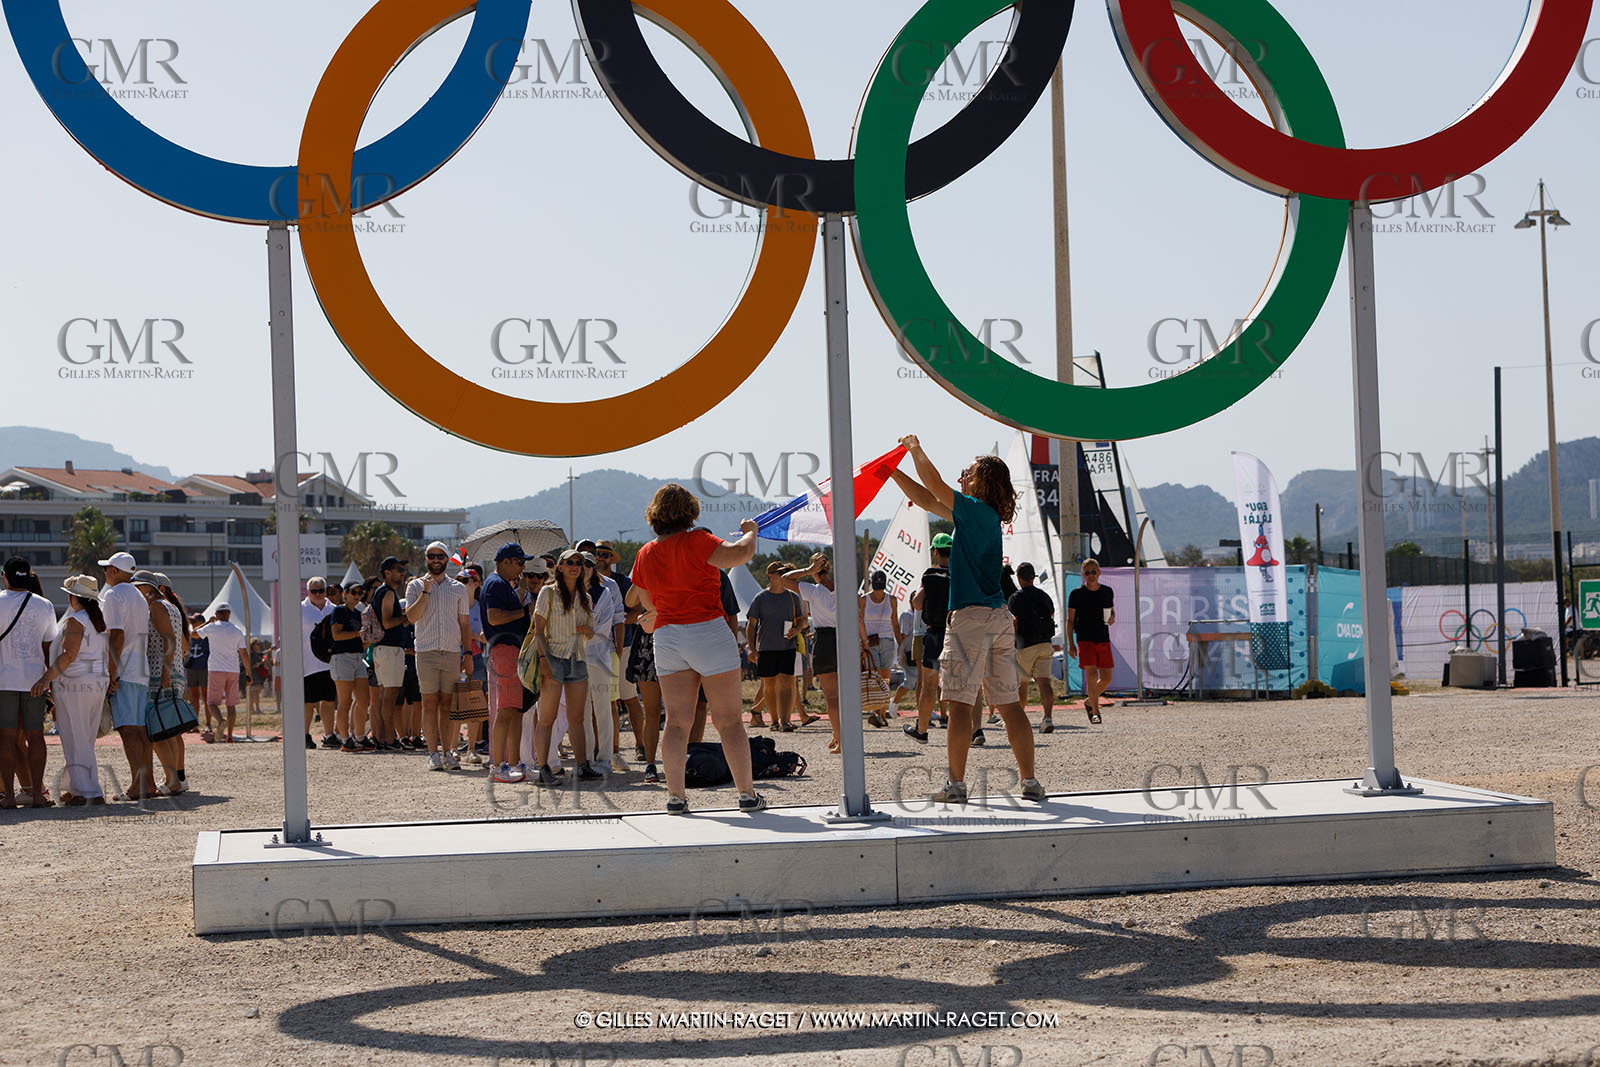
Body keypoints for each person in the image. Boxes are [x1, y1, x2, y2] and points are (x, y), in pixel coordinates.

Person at [888, 437, 1044, 804]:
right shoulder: (983, 516)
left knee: (959, 705)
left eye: (970, 472)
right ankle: (1030, 782)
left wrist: (914, 450)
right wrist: (894, 474)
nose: (964, 476)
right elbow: (927, 500)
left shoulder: (973, 509)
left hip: (970, 620)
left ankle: (956, 786)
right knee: (1009, 706)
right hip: (998, 618)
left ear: (981, 482)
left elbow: (935, 485)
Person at [629, 484, 766, 814]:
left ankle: (676, 797)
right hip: (707, 630)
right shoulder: (697, 540)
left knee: (676, 722)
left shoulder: (645, 553)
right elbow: (740, 555)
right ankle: (746, 794)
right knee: (729, 721)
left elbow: (647, 602)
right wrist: (751, 533)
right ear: (689, 511)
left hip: (668, 638)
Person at [39, 574, 109, 805]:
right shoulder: (98, 621)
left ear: (73, 598)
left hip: (75, 683)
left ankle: (88, 790)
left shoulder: (75, 621)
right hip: (96, 681)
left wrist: (45, 679)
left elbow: (69, 654)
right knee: (84, 736)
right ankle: (77, 786)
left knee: (74, 736)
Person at [531, 548, 596, 787]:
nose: (575, 566)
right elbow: (538, 631)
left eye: (579, 562)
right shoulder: (547, 593)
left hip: (576, 658)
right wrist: (543, 660)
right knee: (546, 718)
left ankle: (582, 766)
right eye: (569, 562)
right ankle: (543, 769)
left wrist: (586, 630)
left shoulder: (585, 597)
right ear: (558, 566)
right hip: (553, 657)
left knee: (577, 718)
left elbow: (591, 630)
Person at [98, 551, 160, 800]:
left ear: (114, 571)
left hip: (124, 668)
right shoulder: (138, 595)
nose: (105, 573)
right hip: (139, 668)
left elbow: (116, 635)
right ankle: (148, 783)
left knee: (127, 729)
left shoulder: (114, 594)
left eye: (107, 569)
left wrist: (111, 672)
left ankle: (138, 785)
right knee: (140, 729)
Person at [405, 541, 473, 771]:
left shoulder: (458, 588)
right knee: (429, 704)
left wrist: (469, 653)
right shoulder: (415, 585)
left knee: (447, 705)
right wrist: (425, 593)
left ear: (446, 559)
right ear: (426, 559)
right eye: (431, 556)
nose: (436, 560)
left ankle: (447, 751)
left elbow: (464, 624)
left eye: (440, 556)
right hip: (426, 652)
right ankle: (432, 753)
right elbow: (411, 617)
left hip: (452, 652)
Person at [0, 557, 58, 807]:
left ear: (5, 576)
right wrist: (49, 682)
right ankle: (36, 794)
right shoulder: (44, 605)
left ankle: (10, 797)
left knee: (6, 738)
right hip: (35, 681)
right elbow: (48, 646)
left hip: (3, 680)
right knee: (36, 737)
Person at [134, 570, 189, 794]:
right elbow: (182, 643)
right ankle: (175, 778)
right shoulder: (171, 607)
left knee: (157, 731)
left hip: (160, 674)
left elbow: (169, 639)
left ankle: (172, 780)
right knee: (170, 730)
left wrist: (165, 672)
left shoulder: (156, 607)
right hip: (174, 673)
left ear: (146, 588)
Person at [481, 543, 532, 780]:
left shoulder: (503, 584)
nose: (522, 568)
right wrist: (523, 612)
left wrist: (519, 595)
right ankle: (498, 766)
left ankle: (514, 763)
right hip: (505, 650)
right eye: (520, 563)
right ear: (505, 562)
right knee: (506, 710)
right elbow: (494, 617)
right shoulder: (495, 584)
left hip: (510, 650)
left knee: (515, 710)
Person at [784, 553, 842, 753]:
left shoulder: (814, 591)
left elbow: (785, 579)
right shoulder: (843, 588)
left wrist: (807, 571)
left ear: (815, 569)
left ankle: (840, 738)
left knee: (832, 697)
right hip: (846, 639)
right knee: (847, 696)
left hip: (825, 641)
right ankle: (843, 736)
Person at [746, 561, 810, 732]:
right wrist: (751, 648)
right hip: (766, 647)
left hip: (788, 646)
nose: (783, 576)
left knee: (787, 682)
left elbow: (803, 620)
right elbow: (751, 625)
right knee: (770, 684)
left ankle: (786, 720)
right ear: (770, 576)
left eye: (784, 572)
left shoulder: (792, 597)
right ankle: (774, 720)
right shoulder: (760, 598)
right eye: (779, 572)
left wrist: (797, 628)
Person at [578, 551, 625, 777]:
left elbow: (602, 631)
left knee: (603, 709)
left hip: (599, 659)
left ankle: (604, 757)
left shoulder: (605, 593)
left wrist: (580, 630)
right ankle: (586, 757)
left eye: (587, 564)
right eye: (579, 564)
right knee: (583, 712)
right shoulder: (571, 594)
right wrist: (582, 630)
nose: (584, 568)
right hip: (577, 660)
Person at [905, 533, 953, 743]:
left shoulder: (929, 575)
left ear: (935, 551)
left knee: (929, 686)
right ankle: (971, 731)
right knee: (963, 685)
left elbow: (916, 603)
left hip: (934, 635)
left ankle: (922, 730)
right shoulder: (958, 574)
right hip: (956, 633)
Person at [1009, 561, 1058, 733]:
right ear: (1033, 577)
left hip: (1026, 645)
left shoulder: (1015, 598)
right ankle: (1047, 718)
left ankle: (1020, 719)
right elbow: (1051, 615)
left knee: (1022, 684)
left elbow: (1014, 621)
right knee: (1044, 682)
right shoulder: (1044, 596)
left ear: (1019, 578)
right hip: (1045, 643)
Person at [1067, 558, 1115, 724]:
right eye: (1087, 572)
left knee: (1107, 677)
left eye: (1093, 571)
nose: (1091, 575)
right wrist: (1071, 644)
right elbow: (1070, 620)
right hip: (1084, 639)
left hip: (1103, 638)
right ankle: (1095, 712)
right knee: (1092, 675)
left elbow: (1111, 612)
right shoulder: (1076, 594)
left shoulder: (1107, 591)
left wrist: (1111, 618)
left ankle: (1089, 701)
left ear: (1099, 572)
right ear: (1083, 574)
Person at [369, 555, 409, 750]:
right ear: (387, 572)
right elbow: (387, 622)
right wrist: (405, 617)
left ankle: (382, 737)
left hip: (382, 649)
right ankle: (387, 739)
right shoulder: (388, 593)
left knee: (384, 696)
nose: (402, 573)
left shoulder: (380, 592)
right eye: (398, 569)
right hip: (390, 648)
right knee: (389, 697)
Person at [330, 581, 372, 752]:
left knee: (363, 699)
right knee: (345, 701)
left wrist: (366, 641)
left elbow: (357, 640)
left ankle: (360, 736)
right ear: (345, 593)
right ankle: (345, 738)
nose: (357, 596)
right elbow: (336, 635)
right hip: (342, 658)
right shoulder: (339, 611)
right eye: (353, 592)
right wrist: (357, 634)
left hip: (357, 657)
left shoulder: (358, 613)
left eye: (359, 592)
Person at [199, 605, 250, 742]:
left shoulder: (212, 627)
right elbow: (244, 653)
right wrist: (249, 673)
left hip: (216, 668)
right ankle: (230, 735)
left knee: (211, 703)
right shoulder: (237, 630)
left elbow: (193, 634)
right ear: (229, 614)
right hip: (233, 669)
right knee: (231, 704)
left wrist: (207, 622)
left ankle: (221, 720)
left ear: (216, 614)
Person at [859, 569, 902, 727]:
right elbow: (859, 620)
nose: (878, 590)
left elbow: (895, 623)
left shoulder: (892, 599)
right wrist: (863, 643)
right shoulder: (864, 600)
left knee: (885, 678)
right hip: (869, 642)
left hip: (887, 641)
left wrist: (901, 644)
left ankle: (881, 715)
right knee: (874, 677)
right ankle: (877, 713)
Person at [303, 578, 337, 750]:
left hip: (329, 662)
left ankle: (329, 734)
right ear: (307, 592)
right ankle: (304, 735)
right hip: (307, 664)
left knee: (328, 700)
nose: (318, 594)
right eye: (314, 591)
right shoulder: (299, 609)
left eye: (321, 590)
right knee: (307, 702)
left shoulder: (334, 609)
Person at [184, 612, 211, 739]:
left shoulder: (208, 635)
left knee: (206, 698)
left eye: (195, 622)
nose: (192, 624)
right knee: (194, 698)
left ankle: (209, 724)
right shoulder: (191, 635)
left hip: (204, 668)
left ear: (201, 622)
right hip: (192, 669)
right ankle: (195, 724)